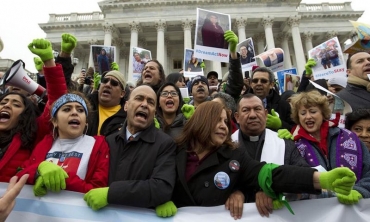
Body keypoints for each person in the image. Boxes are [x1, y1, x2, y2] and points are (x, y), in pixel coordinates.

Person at [156, 101, 357, 219]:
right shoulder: (172, 150)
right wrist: (158, 199)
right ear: (201, 122)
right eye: (217, 121)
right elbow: (151, 180)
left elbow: (270, 173)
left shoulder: (234, 154)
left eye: (226, 122)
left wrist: (320, 179)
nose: (224, 127)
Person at [84, 85, 176, 211]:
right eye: (139, 98)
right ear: (126, 106)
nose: (144, 104)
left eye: (150, 102)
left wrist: (112, 193)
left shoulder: (165, 144)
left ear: (154, 112)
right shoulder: (108, 141)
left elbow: (161, 188)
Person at [0, 38, 68, 183]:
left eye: (16, 105)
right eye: (3, 102)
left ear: (26, 114)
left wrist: (49, 62)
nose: (6, 105)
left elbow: (57, 102)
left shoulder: (32, 133)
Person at [232, 94, 310, 215]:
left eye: (257, 109)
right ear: (237, 117)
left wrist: (274, 190)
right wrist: (234, 191)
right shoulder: (225, 146)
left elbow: (303, 176)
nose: (252, 115)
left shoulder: (283, 143)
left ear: (265, 113)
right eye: (246, 110)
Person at [17, 92, 109, 194]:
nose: (75, 113)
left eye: (80, 110)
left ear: (86, 121)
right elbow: (20, 174)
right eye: (67, 109)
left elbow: (97, 189)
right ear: (55, 121)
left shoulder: (99, 145)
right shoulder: (44, 143)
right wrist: (38, 171)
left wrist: (64, 179)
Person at [290, 90, 370, 204]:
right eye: (303, 113)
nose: (308, 116)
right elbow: (291, 180)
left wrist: (360, 191)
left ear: (323, 113)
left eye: (313, 111)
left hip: (355, 209)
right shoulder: (294, 145)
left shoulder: (350, 137)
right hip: (318, 212)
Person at [249, 67, 295, 131]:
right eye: (255, 81)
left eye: (263, 81)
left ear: (271, 84)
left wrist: (280, 124)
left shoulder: (283, 105)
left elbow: (294, 129)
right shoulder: (242, 104)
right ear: (251, 84)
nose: (258, 83)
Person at [86, 70, 127, 137]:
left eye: (114, 83)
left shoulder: (127, 118)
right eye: (105, 81)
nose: (107, 85)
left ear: (122, 94)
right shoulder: (85, 107)